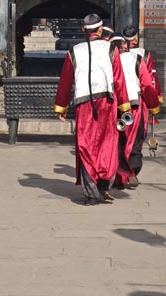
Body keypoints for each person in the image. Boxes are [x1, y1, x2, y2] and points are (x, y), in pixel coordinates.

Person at [54, 13, 131, 204]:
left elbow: (65, 81)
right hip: (107, 102)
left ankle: (91, 193)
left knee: (86, 146)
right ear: (100, 29)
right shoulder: (111, 49)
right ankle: (104, 183)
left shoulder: (74, 51)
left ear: (83, 30)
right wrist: (124, 106)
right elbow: (119, 79)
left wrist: (61, 107)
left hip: (84, 104)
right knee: (107, 143)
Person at [113, 25, 162, 189]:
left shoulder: (112, 57)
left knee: (119, 139)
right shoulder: (142, 56)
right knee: (135, 138)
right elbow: (150, 82)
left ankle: (119, 175)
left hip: (116, 104)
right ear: (135, 38)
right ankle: (131, 170)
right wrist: (154, 103)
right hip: (135, 102)